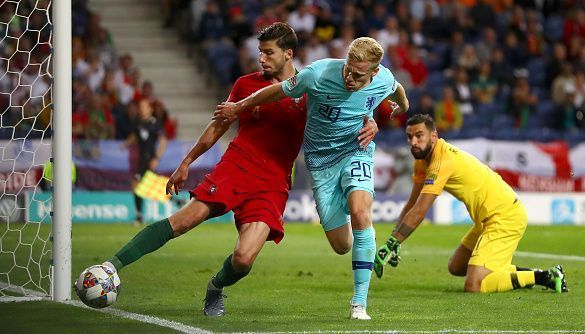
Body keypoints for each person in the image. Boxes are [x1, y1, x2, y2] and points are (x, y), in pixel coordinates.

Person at [91, 23, 379, 317]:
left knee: (243, 259)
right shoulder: (245, 84)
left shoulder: (312, 87)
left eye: (269, 53)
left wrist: (371, 121)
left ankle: (215, 287)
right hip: (238, 164)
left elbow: (347, 112)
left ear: (288, 54)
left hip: (274, 180)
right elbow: (219, 125)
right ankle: (112, 265)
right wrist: (187, 161)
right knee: (184, 220)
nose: (262, 59)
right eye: (260, 52)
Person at [215, 37, 409, 319]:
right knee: (342, 245)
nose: (350, 78)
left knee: (361, 212)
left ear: (374, 72)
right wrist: (239, 106)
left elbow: (398, 91)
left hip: (357, 151)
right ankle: (363, 242)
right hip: (320, 164)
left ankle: (359, 304)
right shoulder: (317, 74)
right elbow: (274, 93)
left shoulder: (384, 79)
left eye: (358, 75)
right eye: (348, 70)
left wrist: (399, 108)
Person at [374, 114, 568, 294]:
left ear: (433, 136)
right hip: (484, 220)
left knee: (475, 284)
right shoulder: (422, 160)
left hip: (504, 216)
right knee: (457, 267)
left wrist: (392, 244)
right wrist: (394, 237)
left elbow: (421, 210)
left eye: (419, 136)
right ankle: (528, 274)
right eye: (409, 137)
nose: (413, 142)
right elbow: (413, 203)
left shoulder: (443, 161)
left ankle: (545, 276)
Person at [123, 99, 167, 224]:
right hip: (141, 160)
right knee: (140, 185)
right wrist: (126, 144)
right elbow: (136, 136)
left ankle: (139, 216)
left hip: (150, 159)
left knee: (142, 184)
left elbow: (163, 142)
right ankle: (139, 215)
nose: (141, 109)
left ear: (150, 109)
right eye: (140, 106)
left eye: (144, 106)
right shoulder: (138, 122)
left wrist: (156, 158)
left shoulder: (155, 123)